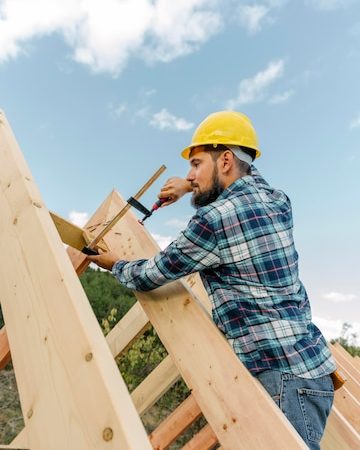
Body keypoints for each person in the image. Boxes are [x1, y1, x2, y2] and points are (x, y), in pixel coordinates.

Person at [87, 111, 336, 449]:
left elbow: (152, 273)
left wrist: (115, 264)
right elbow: (246, 178)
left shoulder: (213, 220)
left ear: (226, 160)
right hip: (312, 371)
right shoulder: (278, 201)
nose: (190, 173)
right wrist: (192, 183)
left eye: (196, 164)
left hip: (280, 379)